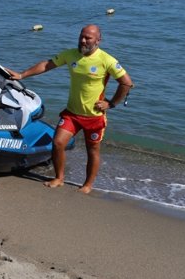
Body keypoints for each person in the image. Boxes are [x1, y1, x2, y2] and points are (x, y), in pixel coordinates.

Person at [10, 24, 132, 193]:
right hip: (72, 114)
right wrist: (22, 74)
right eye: (81, 36)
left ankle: (88, 185)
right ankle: (59, 178)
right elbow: (47, 64)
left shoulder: (107, 60)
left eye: (88, 38)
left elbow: (126, 82)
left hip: (94, 117)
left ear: (98, 40)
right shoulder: (71, 54)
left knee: (93, 150)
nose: (83, 40)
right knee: (58, 142)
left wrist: (111, 103)